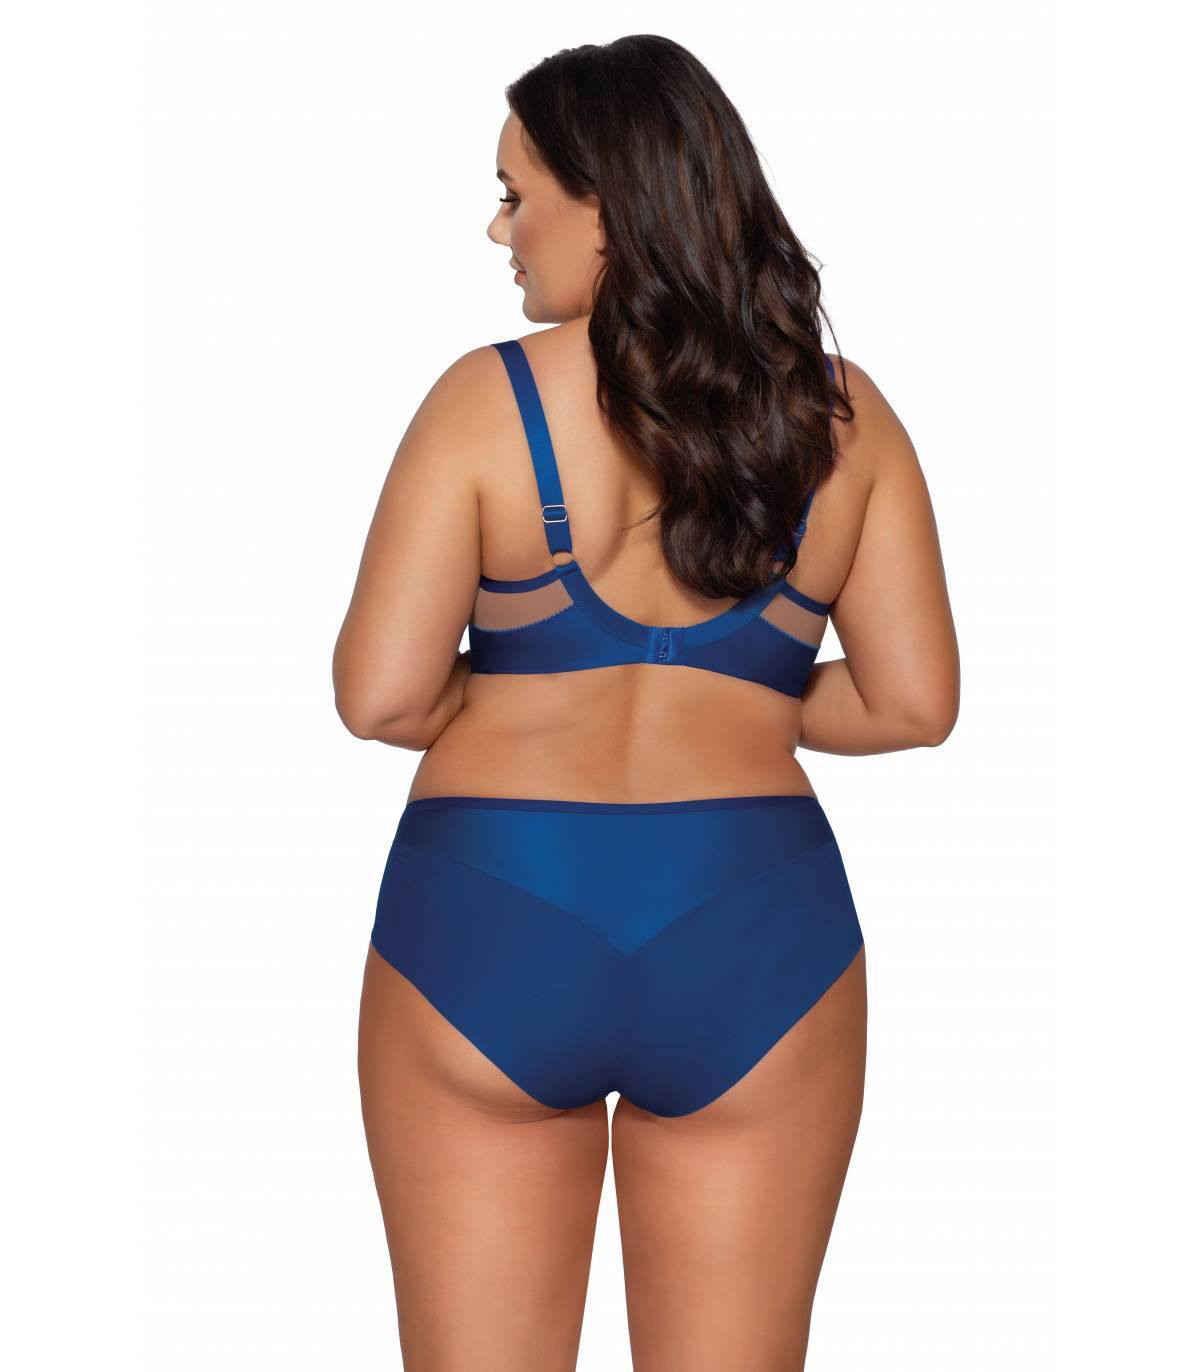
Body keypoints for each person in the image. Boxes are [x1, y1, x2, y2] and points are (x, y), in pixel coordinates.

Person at [333, 34, 958, 1372]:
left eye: (516, 195)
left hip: (490, 922)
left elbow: (380, 696)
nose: (498, 230)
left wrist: (526, 688)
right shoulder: (845, 419)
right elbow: (912, 704)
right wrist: (746, 699)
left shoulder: (487, 401)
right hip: (755, 932)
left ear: (606, 204)